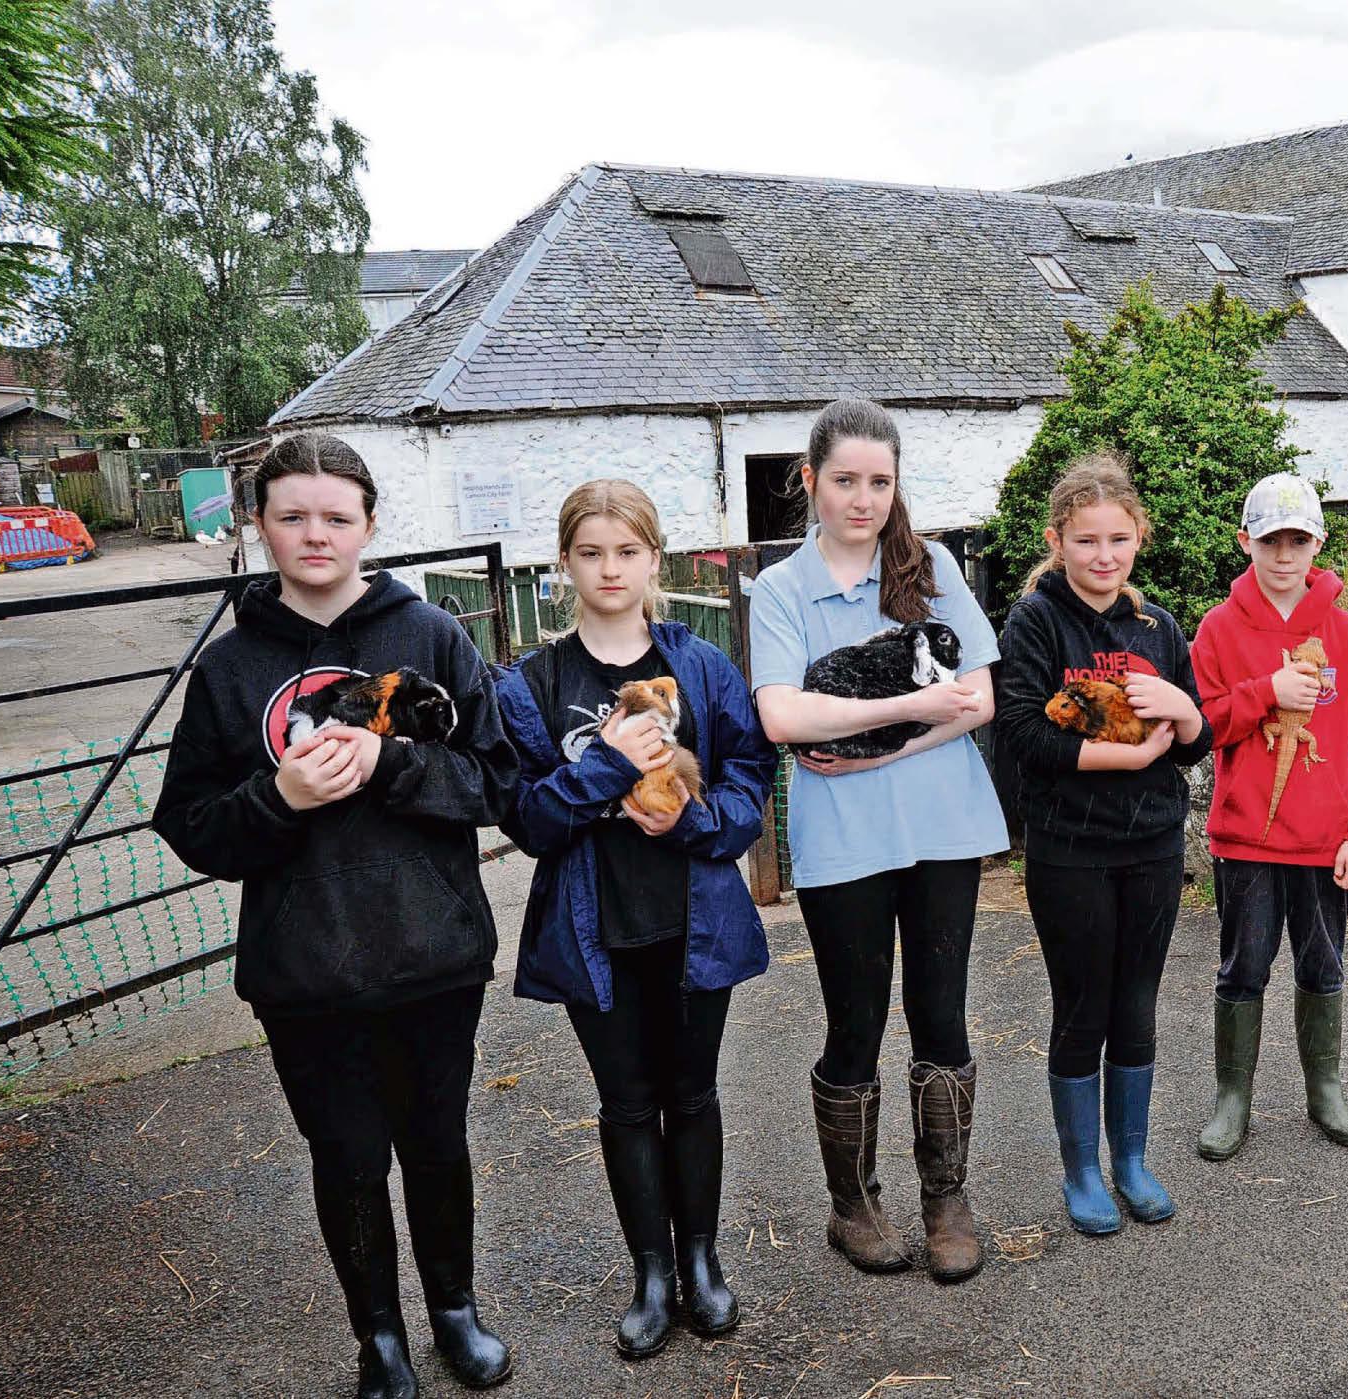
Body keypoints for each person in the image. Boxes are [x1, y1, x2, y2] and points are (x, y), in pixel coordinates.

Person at [153, 434, 519, 1398]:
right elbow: (190, 823)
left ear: (368, 525)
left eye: (335, 516)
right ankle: (382, 1343)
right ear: (259, 523)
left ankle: (454, 1312)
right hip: (305, 970)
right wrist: (280, 797)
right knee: (349, 1159)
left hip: (432, 951)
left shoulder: (431, 637)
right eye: (291, 515)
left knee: (436, 1143)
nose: (314, 534)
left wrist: (392, 763)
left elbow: (496, 781)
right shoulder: (231, 670)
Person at [494, 480, 775, 1359]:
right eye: (590, 552)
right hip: (594, 926)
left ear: (656, 559)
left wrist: (690, 819)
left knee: (692, 1093)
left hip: (692, 920)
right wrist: (608, 769)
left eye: (627, 551)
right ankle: (651, 1272)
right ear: (565, 562)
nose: (609, 569)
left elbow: (748, 786)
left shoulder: (700, 666)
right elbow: (528, 818)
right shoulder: (531, 683)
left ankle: (702, 1259)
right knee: (625, 1102)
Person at [748, 398, 1005, 1283]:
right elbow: (783, 712)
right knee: (854, 1019)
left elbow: (979, 698)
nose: (863, 499)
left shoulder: (931, 566)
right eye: (846, 481)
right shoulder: (780, 589)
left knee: (941, 1010)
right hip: (844, 837)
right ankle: (853, 1203)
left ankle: (946, 1198)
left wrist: (877, 744)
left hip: (941, 822)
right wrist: (908, 710)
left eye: (880, 482)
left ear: (898, 487)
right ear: (810, 481)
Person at [996, 451, 1211, 1235]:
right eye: (1086, 541)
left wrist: (1181, 713)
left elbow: (1196, 740)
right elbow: (1022, 735)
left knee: (1138, 1004)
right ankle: (1081, 1170)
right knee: (1083, 1006)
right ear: (1058, 540)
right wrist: (1135, 752)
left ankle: (1130, 1159)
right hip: (1071, 848)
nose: (1104, 556)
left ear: (1139, 537)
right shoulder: (1035, 620)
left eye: (1118, 539)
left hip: (1152, 842)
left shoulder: (1158, 626)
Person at [1190, 472, 1348, 1160]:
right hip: (1246, 841)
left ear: (1318, 543)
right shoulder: (1217, 630)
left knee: (1323, 966)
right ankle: (1232, 1098)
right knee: (1243, 969)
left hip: (1325, 844)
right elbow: (1202, 726)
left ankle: (1325, 1088)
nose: (1284, 554)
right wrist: (1264, 692)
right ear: (1245, 541)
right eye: (1271, 539)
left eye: (1298, 539)